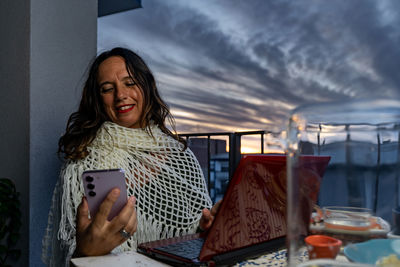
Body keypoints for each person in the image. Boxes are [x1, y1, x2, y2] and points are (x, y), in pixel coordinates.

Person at [42, 47, 219, 266]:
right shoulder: (83, 159)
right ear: (98, 99)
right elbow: (73, 251)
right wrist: (85, 251)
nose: (120, 95)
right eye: (107, 89)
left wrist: (205, 226)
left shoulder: (180, 156)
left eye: (130, 83)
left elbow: (194, 230)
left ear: (146, 86)